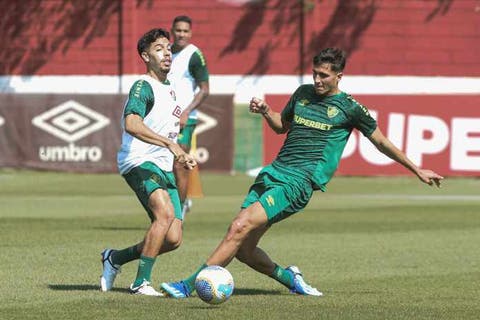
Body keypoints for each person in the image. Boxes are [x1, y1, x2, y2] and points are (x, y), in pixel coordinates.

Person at [160, 47, 444, 298]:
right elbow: (281, 126)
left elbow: (381, 142)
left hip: (300, 182)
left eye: (324, 75)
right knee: (245, 251)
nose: (317, 80)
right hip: (274, 173)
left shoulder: (350, 108)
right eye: (314, 74)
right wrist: (265, 110)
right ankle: (291, 279)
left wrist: (416, 168)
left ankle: (189, 285)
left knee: (239, 225)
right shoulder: (302, 94)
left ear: (339, 76)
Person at [100, 28, 197, 296]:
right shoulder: (143, 86)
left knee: (173, 238)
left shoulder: (172, 89)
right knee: (164, 215)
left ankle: (115, 258)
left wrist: (179, 153)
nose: (166, 52)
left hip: (163, 166)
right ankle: (141, 282)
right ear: (145, 56)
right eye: (158, 48)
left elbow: (169, 131)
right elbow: (131, 123)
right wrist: (170, 144)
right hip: (139, 161)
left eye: (168, 48)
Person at [168, 15, 209, 216]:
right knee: (162, 164)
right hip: (164, 118)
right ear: (172, 31)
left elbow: (204, 89)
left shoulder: (194, 55)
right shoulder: (164, 53)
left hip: (186, 119)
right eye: (178, 30)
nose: (181, 34)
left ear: (190, 33)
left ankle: (179, 212)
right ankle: (175, 204)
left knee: (180, 163)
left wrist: (186, 111)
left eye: (185, 31)